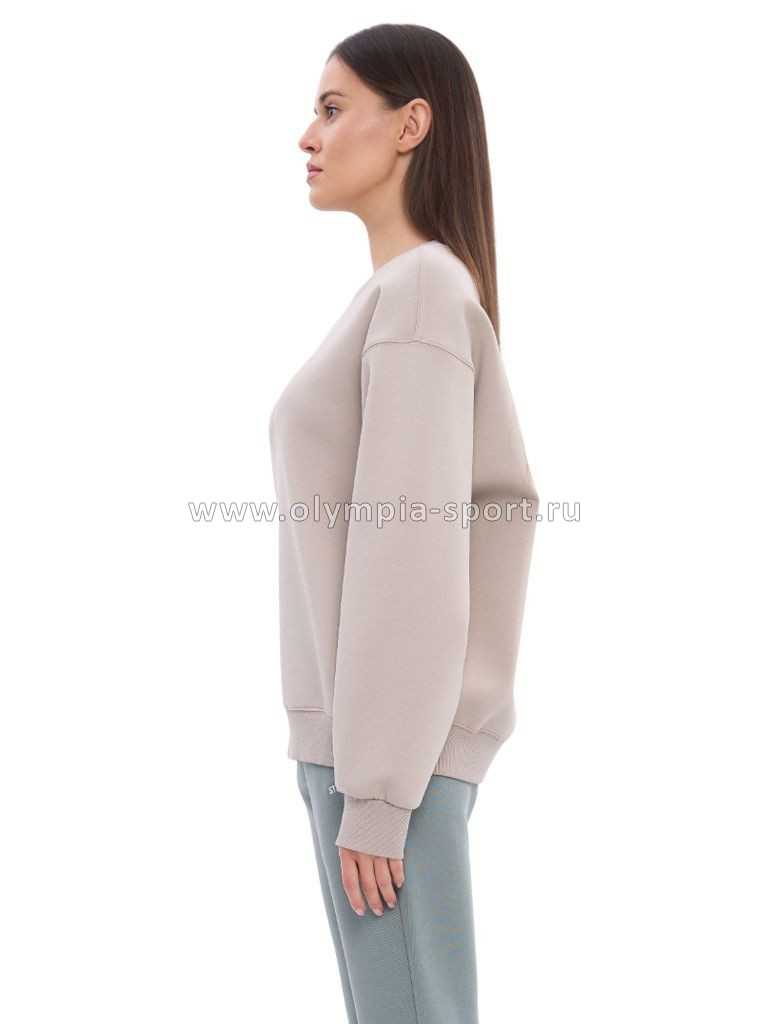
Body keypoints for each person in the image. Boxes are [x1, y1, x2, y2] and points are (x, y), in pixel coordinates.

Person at [268, 23, 538, 1024]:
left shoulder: (421, 293)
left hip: (389, 767)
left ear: (411, 124)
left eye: (333, 108)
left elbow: (410, 552)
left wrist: (378, 793)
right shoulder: (406, 293)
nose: (308, 135)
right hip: (369, 753)